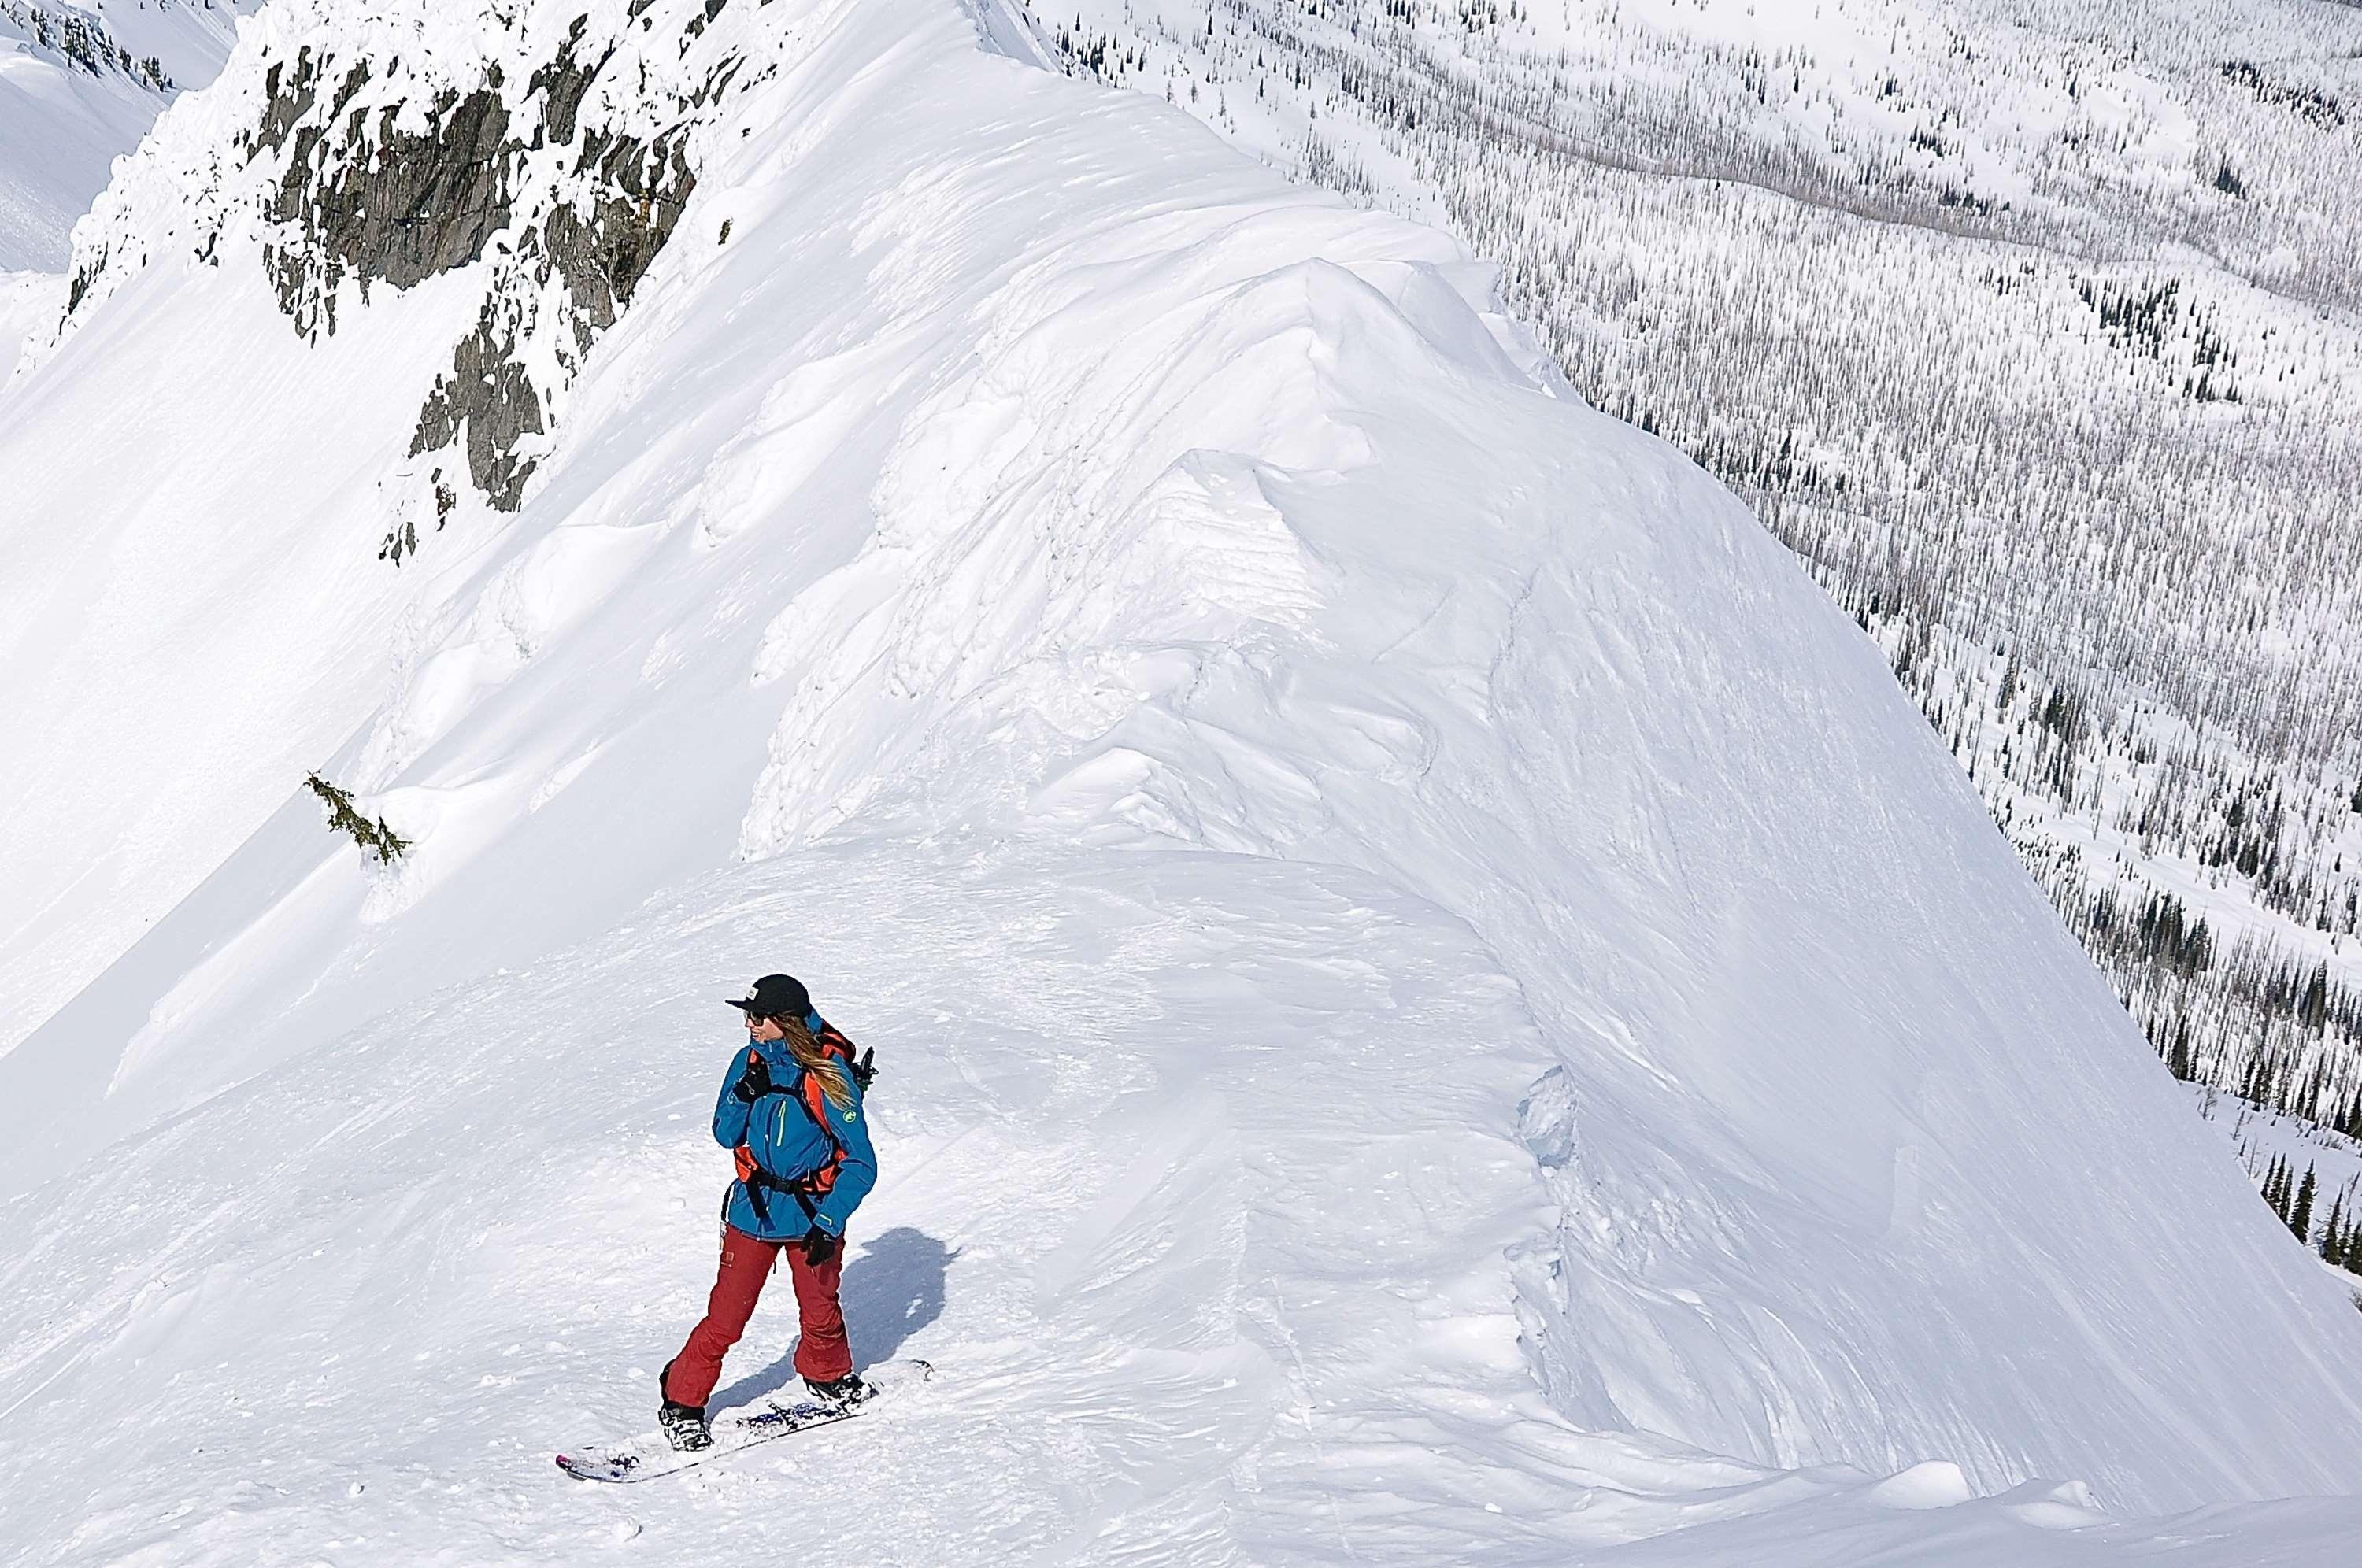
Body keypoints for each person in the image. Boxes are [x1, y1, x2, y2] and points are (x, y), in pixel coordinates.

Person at [657, 973, 878, 1452]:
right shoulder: (747, 1062)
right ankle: (681, 1401)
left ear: (785, 1020)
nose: (749, 1024)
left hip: (812, 1216)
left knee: (820, 1312)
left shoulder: (828, 1075)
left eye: (757, 1017)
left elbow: (862, 1163)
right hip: (752, 1212)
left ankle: (827, 1376)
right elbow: (724, 1133)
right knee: (727, 1318)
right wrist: (743, 1094)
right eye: (747, 1015)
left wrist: (830, 1220)